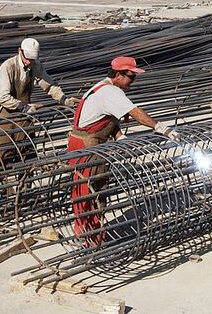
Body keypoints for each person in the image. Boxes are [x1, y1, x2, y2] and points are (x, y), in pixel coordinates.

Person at [68, 56, 180, 245]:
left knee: (94, 187)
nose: (132, 82)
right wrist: (160, 127)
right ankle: (86, 236)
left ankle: (93, 231)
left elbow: (106, 118)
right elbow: (135, 113)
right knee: (87, 190)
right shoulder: (111, 92)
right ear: (119, 75)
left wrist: (119, 136)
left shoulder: (104, 88)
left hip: (91, 142)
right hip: (86, 145)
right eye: (131, 77)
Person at [0, 37, 79, 169]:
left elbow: (49, 85)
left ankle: (25, 184)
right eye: (27, 58)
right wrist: (23, 106)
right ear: (20, 51)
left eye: (32, 59)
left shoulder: (35, 65)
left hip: (24, 116)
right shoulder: (8, 67)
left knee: (27, 152)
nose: (29, 62)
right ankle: (2, 188)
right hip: (5, 116)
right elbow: (1, 96)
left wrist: (63, 99)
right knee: (5, 155)